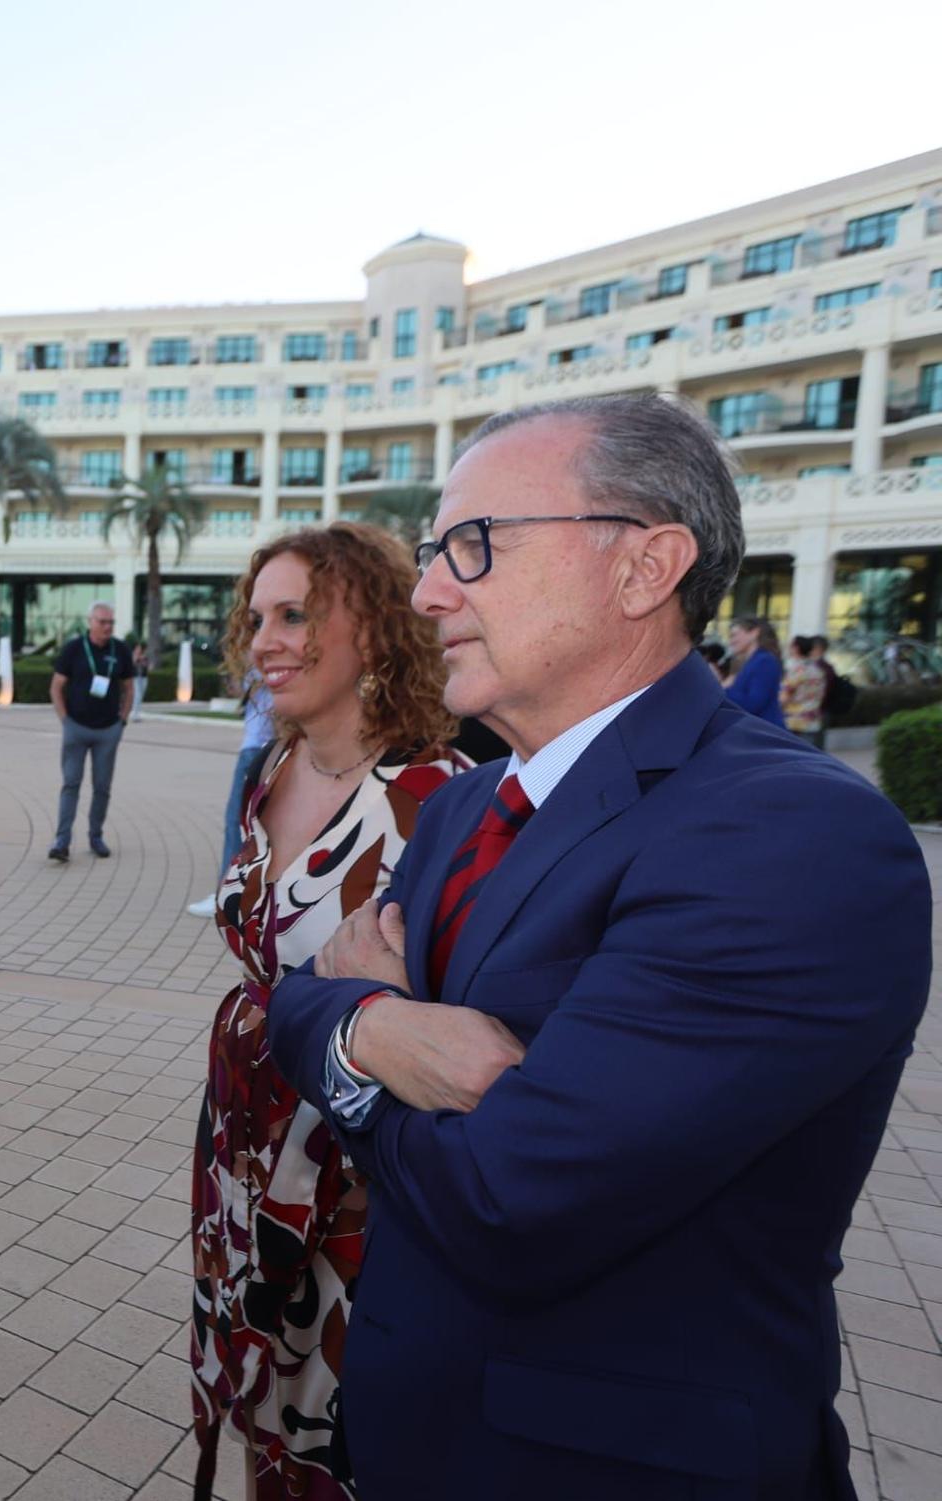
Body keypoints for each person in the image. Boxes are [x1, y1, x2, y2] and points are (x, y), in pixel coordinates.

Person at [265, 394, 930, 1499]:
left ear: (643, 566)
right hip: (407, 1435)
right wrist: (377, 1032)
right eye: (436, 552)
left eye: (471, 547)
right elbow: (296, 998)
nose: (428, 591)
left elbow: (508, 1203)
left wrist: (345, 1030)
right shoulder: (462, 809)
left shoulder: (790, 836)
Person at [189, 524, 464, 1500]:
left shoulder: (440, 800)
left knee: (332, 1429)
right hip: (244, 1150)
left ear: (378, 627)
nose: (264, 636)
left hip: (357, 1180)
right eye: (255, 615)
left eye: (295, 612)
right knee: (259, 1413)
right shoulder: (273, 773)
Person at [48, 601, 135, 859]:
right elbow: (56, 686)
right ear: (91, 622)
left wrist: (122, 720)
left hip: (108, 731)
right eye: (102, 622)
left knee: (102, 787)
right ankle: (61, 842)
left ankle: (96, 837)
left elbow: (129, 688)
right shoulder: (74, 649)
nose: (107, 627)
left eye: (111, 622)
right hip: (76, 728)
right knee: (71, 784)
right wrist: (65, 720)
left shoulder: (120, 650)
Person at [185, 679, 276, 919]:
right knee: (252, 825)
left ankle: (226, 897)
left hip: (257, 748)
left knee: (237, 822)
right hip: (263, 746)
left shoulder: (262, 665)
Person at [724, 614, 786, 728]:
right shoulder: (753, 661)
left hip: (765, 734)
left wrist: (723, 690)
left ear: (754, 633)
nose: (731, 641)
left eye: (734, 635)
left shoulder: (765, 661)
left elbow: (753, 704)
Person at [782, 631, 828, 747]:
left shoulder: (796, 670)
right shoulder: (817, 670)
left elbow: (785, 695)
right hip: (812, 720)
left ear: (796, 648)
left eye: (790, 646)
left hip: (795, 723)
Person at [131, 638, 151, 721]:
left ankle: (137, 712)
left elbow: (148, 666)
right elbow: (131, 664)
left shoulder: (144, 656)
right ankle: (134, 714)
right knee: (137, 695)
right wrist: (137, 658)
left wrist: (144, 661)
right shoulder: (131, 655)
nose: (138, 650)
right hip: (135, 678)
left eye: (140, 648)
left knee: (140, 696)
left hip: (143, 677)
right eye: (137, 648)